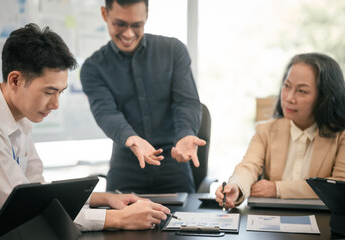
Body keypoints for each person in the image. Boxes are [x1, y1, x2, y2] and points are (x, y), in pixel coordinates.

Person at [0, 23, 170, 232]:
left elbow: (34, 192)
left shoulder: (18, 117)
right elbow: (26, 212)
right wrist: (117, 219)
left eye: (60, 92)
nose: (55, 104)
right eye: (48, 92)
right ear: (15, 80)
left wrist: (103, 198)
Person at [80, 0, 206, 193]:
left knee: (185, 220)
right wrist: (131, 138)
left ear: (146, 16)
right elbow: (106, 113)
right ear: (105, 14)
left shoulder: (173, 50)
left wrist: (186, 133)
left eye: (136, 25)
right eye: (120, 24)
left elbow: (186, 101)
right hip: (127, 165)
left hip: (173, 162)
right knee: (118, 221)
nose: (129, 34)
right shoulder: (93, 68)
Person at [216, 53, 345, 208]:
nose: (289, 98)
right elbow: (249, 166)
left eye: (302, 91)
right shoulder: (265, 130)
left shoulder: (341, 135)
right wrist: (236, 187)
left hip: (325, 220)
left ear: (324, 97)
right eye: (287, 86)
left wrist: (276, 188)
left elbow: (339, 187)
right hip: (271, 219)